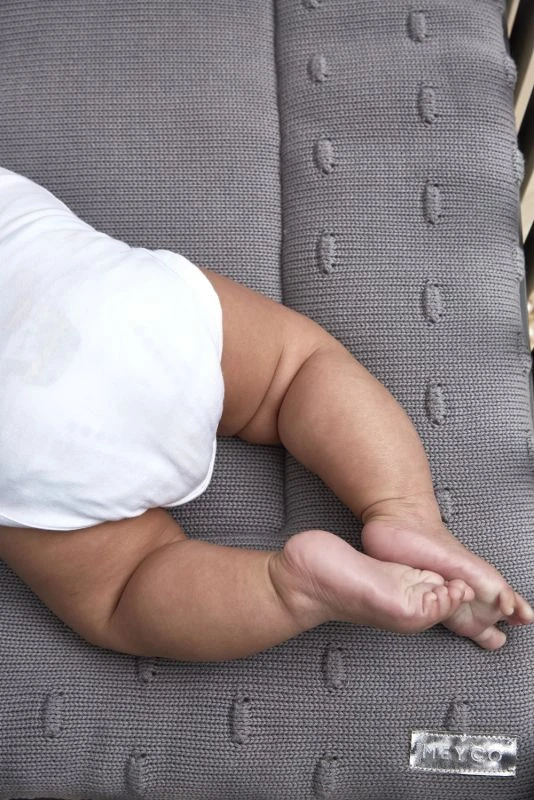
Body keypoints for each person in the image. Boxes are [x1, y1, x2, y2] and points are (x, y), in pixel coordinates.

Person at [0, 166, 532, 663]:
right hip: (116, 303)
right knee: (296, 370)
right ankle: (407, 512)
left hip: (26, 433)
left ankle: (291, 590)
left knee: (126, 588)